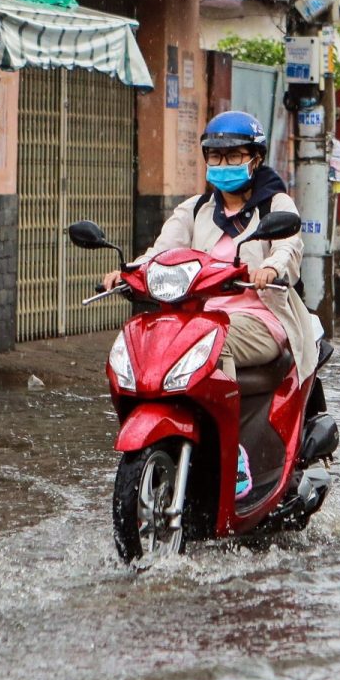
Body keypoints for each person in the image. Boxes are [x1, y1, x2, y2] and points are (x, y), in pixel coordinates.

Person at [104, 110, 315, 499]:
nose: (223, 165)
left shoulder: (275, 205)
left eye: (234, 156)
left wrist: (270, 266)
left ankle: (232, 452)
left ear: (255, 158)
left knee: (217, 344)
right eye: (215, 157)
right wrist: (129, 271)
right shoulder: (196, 209)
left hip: (261, 315)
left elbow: (289, 246)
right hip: (199, 316)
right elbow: (162, 250)